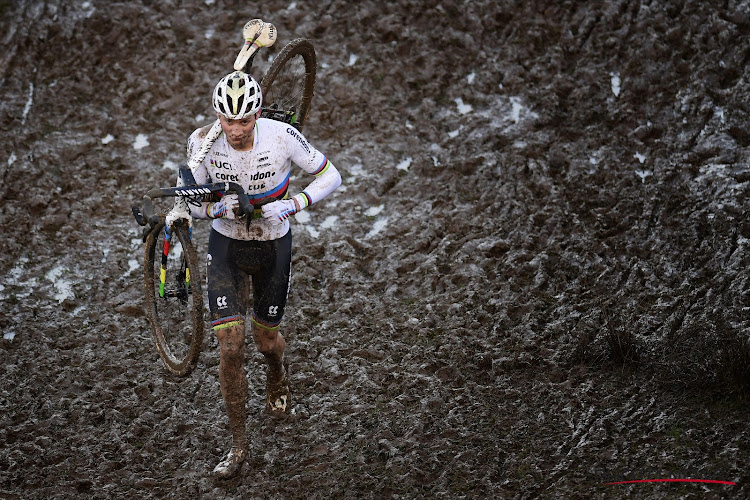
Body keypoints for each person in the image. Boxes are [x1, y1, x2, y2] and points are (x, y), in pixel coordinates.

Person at [182, 70, 341, 478]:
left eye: (244, 121)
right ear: (218, 114)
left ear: (257, 114)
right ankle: (238, 447)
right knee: (231, 348)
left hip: (273, 244)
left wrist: (296, 203)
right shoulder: (201, 143)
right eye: (227, 120)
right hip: (227, 246)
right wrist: (213, 209)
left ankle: (276, 372)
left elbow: (331, 175)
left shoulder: (281, 135)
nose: (235, 130)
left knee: (265, 341)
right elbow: (189, 200)